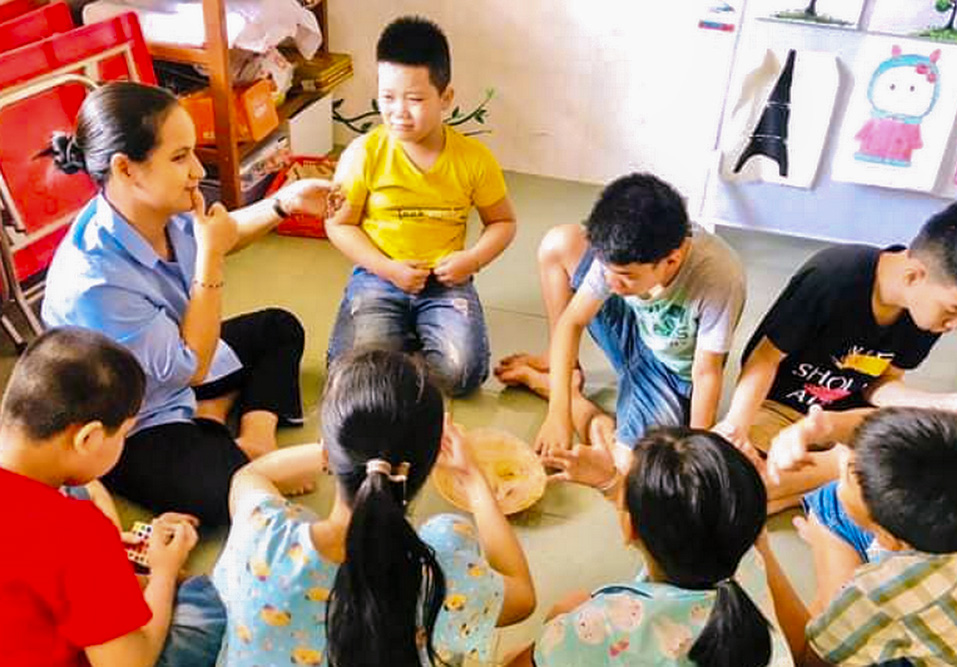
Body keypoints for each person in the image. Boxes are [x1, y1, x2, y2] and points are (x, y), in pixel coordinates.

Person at [41, 81, 334, 526]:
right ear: (126, 170)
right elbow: (192, 365)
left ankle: (253, 434)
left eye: (193, 152)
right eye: (179, 158)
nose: (198, 170)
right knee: (226, 492)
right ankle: (213, 425)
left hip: (173, 368)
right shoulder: (94, 283)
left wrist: (282, 204)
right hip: (130, 418)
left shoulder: (157, 206)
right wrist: (211, 257)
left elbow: (222, 232)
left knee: (279, 326)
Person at [212, 349, 536, 667]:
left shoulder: (263, 536)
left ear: (328, 448)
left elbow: (251, 475)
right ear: (422, 467)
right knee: (450, 532)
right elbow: (522, 596)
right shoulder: (446, 579)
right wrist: (473, 478)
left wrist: (333, 452)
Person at [715, 202, 957, 513]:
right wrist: (736, 427)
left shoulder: (926, 315)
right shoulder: (834, 276)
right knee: (724, 489)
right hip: (780, 408)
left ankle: (825, 477)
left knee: (939, 459)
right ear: (914, 276)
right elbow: (764, 360)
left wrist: (938, 403)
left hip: (847, 421)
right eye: (955, 310)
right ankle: (837, 478)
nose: (956, 325)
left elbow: (881, 385)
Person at [326, 16, 517, 396]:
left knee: (462, 374)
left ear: (445, 98)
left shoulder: (473, 159)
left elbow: (503, 222)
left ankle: (401, 351)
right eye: (387, 97)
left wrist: (472, 260)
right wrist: (387, 268)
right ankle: (402, 348)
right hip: (378, 276)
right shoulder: (363, 153)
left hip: (446, 283)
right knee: (351, 376)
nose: (398, 111)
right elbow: (339, 225)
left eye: (414, 99)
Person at [0, 327, 212, 667]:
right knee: (206, 604)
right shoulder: (78, 532)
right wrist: (164, 573)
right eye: (125, 433)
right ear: (90, 437)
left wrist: (107, 558)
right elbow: (128, 663)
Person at [498, 173, 744, 452]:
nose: (611, 284)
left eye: (625, 276)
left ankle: (554, 387)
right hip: (635, 328)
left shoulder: (718, 278)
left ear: (671, 260)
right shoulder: (616, 262)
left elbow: (706, 374)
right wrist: (558, 415)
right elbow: (573, 321)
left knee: (633, 462)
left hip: (671, 375)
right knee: (559, 243)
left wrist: (697, 450)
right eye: (607, 270)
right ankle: (561, 367)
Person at [505, 427, 792, 666]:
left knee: (558, 615)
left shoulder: (607, 624)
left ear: (629, 528)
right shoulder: (744, 560)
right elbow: (683, 520)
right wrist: (611, 483)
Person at [757, 407, 957, 666]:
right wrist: (821, 426)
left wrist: (763, 554)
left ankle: (829, 617)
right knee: (831, 501)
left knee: (829, 506)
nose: (842, 458)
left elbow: (808, 662)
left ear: (888, 541)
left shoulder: (882, 594)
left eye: (850, 473)